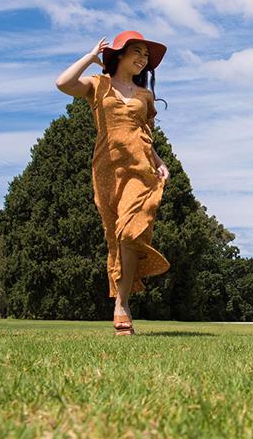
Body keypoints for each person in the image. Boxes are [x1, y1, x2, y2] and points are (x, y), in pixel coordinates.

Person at [55, 31, 170, 336]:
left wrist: (159, 162)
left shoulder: (144, 96)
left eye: (146, 55)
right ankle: (122, 300)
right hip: (106, 169)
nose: (143, 59)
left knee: (130, 231)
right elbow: (62, 83)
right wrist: (90, 57)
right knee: (115, 236)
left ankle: (122, 303)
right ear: (119, 54)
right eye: (137, 51)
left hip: (140, 168)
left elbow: (145, 134)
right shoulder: (97, 85)